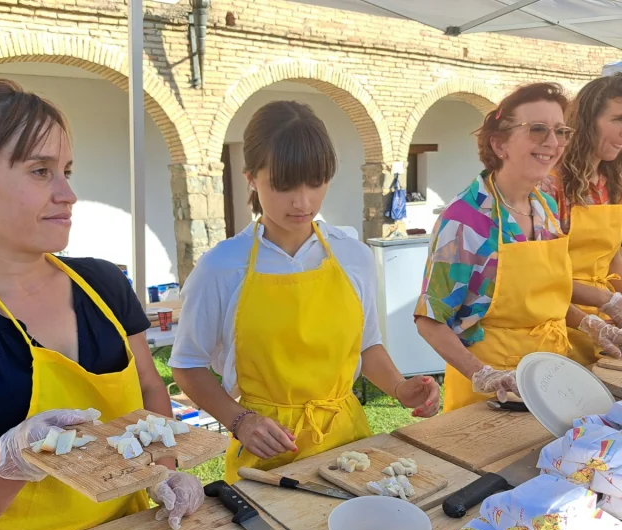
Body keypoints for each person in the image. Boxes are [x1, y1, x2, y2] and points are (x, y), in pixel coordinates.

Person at [0, 79, 203, 530]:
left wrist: (164, 466)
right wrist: (10, 460)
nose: (68, 194)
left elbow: (150, 388)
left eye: (67, 171)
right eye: (41, 172)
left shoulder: (103, 283)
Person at [170, 100, 439, 484]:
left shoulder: (354, 257)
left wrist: (400, 388)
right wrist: (240, 421)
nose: (303, 202)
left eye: (316, 183)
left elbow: (368, 345)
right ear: (250, 177)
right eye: (283, 185)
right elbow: (187, 364)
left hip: (349, 447)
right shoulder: (221, 267)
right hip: (267, 453)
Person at [414, 83, 622, 413]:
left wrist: (591, 324)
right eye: (537, 130)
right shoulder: (466, 221)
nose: (552, 143)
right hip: (494, 396)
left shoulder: (544, 208)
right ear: (499, 143)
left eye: (560, 131)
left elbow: (545, 295)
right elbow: (430, 320)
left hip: (552, 375)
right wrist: (481, 373)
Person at [542, 73, 622, 366]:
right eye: (617, 119)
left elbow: (613, 255)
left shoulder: (612, 182)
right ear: (587, 122)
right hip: (562, 317)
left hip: (605, 322)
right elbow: (541, 276)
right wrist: (607, 304)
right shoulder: (551, 185)